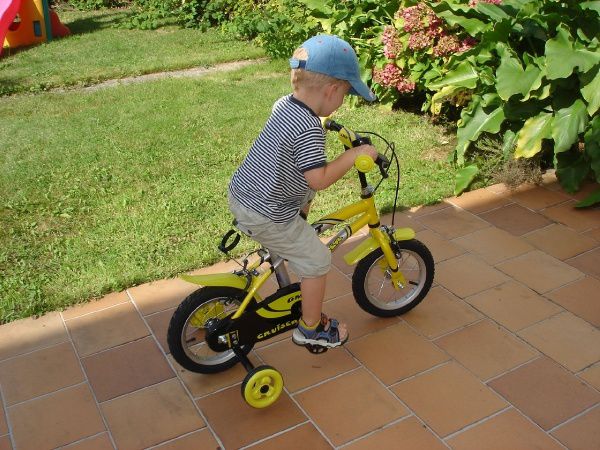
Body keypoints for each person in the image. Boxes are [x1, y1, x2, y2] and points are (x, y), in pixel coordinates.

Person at [228, 34, 378, 349]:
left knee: (301, 215)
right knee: (317, 261)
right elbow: (318, 179)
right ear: (332, 90)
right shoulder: (308, 128)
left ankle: (288, 240)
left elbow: (294, 144)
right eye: (346, 93)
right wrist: (352, 156)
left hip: (246, 192)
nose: (344, 100)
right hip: (268, 212)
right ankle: (310, 329)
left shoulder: (285, 104)